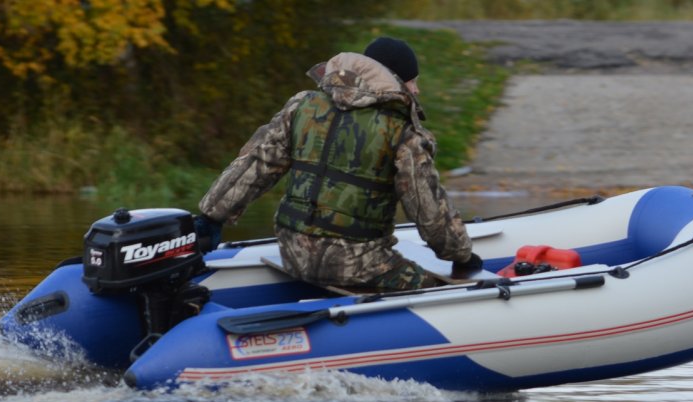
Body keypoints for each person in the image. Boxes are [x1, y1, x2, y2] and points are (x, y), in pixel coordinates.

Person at [194, 36, 482, 291]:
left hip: (293, 252)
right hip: (358, 265)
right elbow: (429, 212)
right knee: (435, 290)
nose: (416, 90)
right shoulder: (404, 134)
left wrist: (211, 216)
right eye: (412, 80)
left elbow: (255, 164)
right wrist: (462, 255)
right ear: (393, 79)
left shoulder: (302, 106)